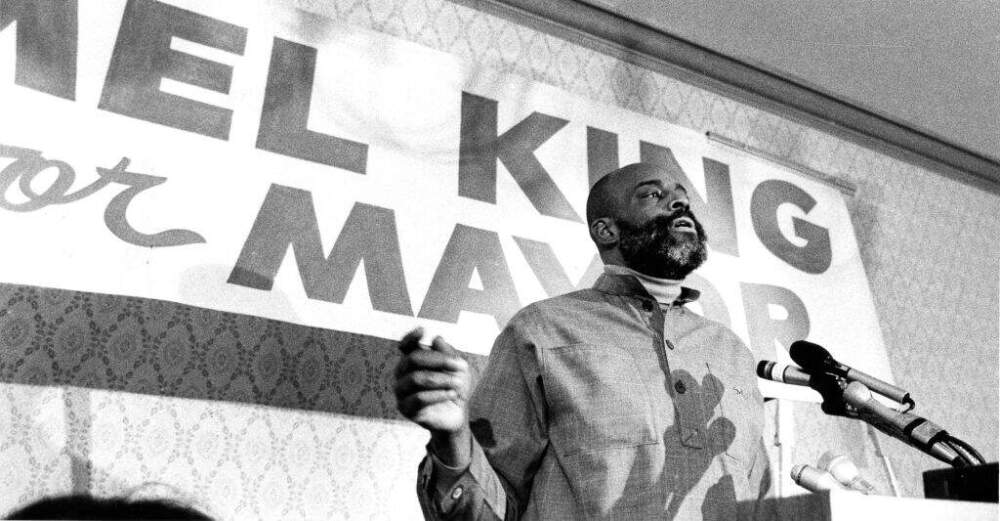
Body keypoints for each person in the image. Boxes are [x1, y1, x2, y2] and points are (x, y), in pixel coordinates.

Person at [394, 162, 771, 520]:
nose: (678, 203)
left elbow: (760, 500)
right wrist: (452, 438)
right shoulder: (541, 330)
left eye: (683, 198)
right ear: (606, 231)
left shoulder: (732, 351)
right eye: (652, 195)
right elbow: (494, 509)